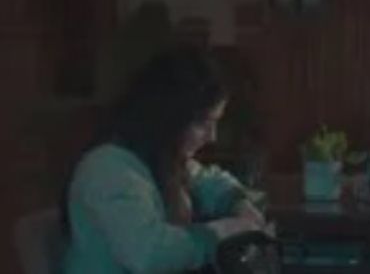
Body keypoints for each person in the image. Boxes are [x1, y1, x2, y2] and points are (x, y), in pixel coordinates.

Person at [62, 45, 266, 274]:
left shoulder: (159, 158)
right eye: (203, 123)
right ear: (169, 115)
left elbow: (207, 179)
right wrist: (218, 233)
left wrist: (237, 201)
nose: (212, 137)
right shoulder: (108, 169)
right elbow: (149, 253)